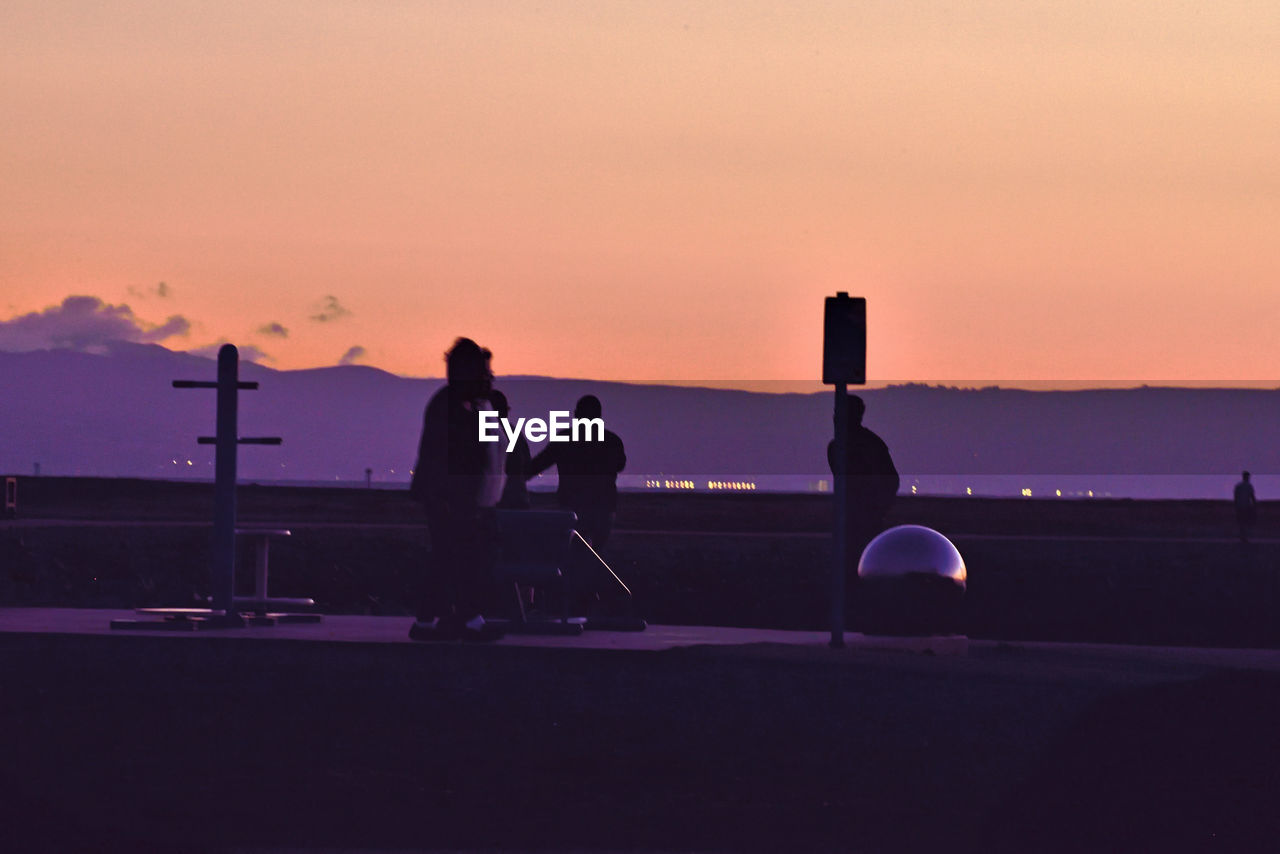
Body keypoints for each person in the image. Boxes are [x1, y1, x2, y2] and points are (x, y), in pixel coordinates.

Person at [407, 338, 506, 641]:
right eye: (483, 371)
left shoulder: (467, 406)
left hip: (465, 500)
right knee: (457, 558)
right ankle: (460, 620)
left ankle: (442, 620)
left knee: (453, 559)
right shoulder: (450, 407)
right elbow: (442, 457)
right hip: (452, 500)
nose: (489, 377)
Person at [526, 394, 626, 610]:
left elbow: (536, 466)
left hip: (572, 508)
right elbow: (619, 465)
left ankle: (577, 598)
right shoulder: (612, 441)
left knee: (574, 554)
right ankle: (590, 597)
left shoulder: (565, 440)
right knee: (595, 554)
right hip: (604, 508)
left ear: (576, 415)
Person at [827, 394, 900, 580]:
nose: (834, 418)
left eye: (839, 413)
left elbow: (890, 480)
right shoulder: (840, 447)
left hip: (864, 519)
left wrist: (875, 509)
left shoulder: (866, 445)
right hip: (852, 519)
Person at [490, 389, 531, 510]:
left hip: (496, 503)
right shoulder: (515, 433)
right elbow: (527, 467)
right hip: (518, 499)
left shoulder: (481, 433)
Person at [1234, 470, 1257, 543]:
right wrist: (1254, 504)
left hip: (1239, 506)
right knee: (1245, 521)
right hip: (1246, 506)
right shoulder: (1249, 486)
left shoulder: (1238, 486)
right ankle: (1244, 536)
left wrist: (1235, 505)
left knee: (1241, 522)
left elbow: (1235, 497)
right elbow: (1252, 496)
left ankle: (1242, 536)